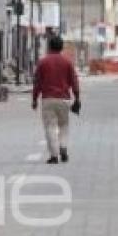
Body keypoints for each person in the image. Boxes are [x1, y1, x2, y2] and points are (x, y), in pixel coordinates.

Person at [32, 35, 81, 164]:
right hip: (64, 99)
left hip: (48, 99)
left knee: (50, 127)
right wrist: (77, 98)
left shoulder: (43, 62)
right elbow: (74, 81)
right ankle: (63, 147)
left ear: (50, 46)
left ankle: (54, 155)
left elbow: (37, 82)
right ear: (61, 47)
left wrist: (34, 99)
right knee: (64, 125)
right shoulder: (67, 62)